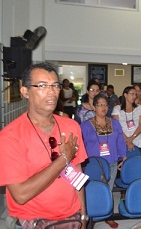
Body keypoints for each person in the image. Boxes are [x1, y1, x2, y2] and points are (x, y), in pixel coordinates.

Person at [0, 62, 88, 228]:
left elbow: (77, 173)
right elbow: (21, 195)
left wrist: (83, 216)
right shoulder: (10, 136)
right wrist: (63, 159)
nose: (51, 92)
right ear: (25, 91)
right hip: (33, 222)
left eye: (55, 85)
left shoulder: (71, 126)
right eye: (42, 86)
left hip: (72, 218)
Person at [81, 94, 126, 228]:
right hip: (92, 165)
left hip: (111, 162)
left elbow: (120, 140)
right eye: (100, 104)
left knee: (108, 190)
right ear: (94, 107)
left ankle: (108, 215)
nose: (103, 107)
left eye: (105, 104)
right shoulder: (85, 125)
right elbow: (81, 144)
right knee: (93, 191)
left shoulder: (114, 123)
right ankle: (91, 217)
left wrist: (123, 156)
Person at [112, 86, 141, 155]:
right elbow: (116, 127)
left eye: (135, 94)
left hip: (137, 140)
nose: (134, 96)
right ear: (125, 95)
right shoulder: (117, 109)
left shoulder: (139, 108)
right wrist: (127, 140)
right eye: (132, 94)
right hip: (122, 140)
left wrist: (131, 139)